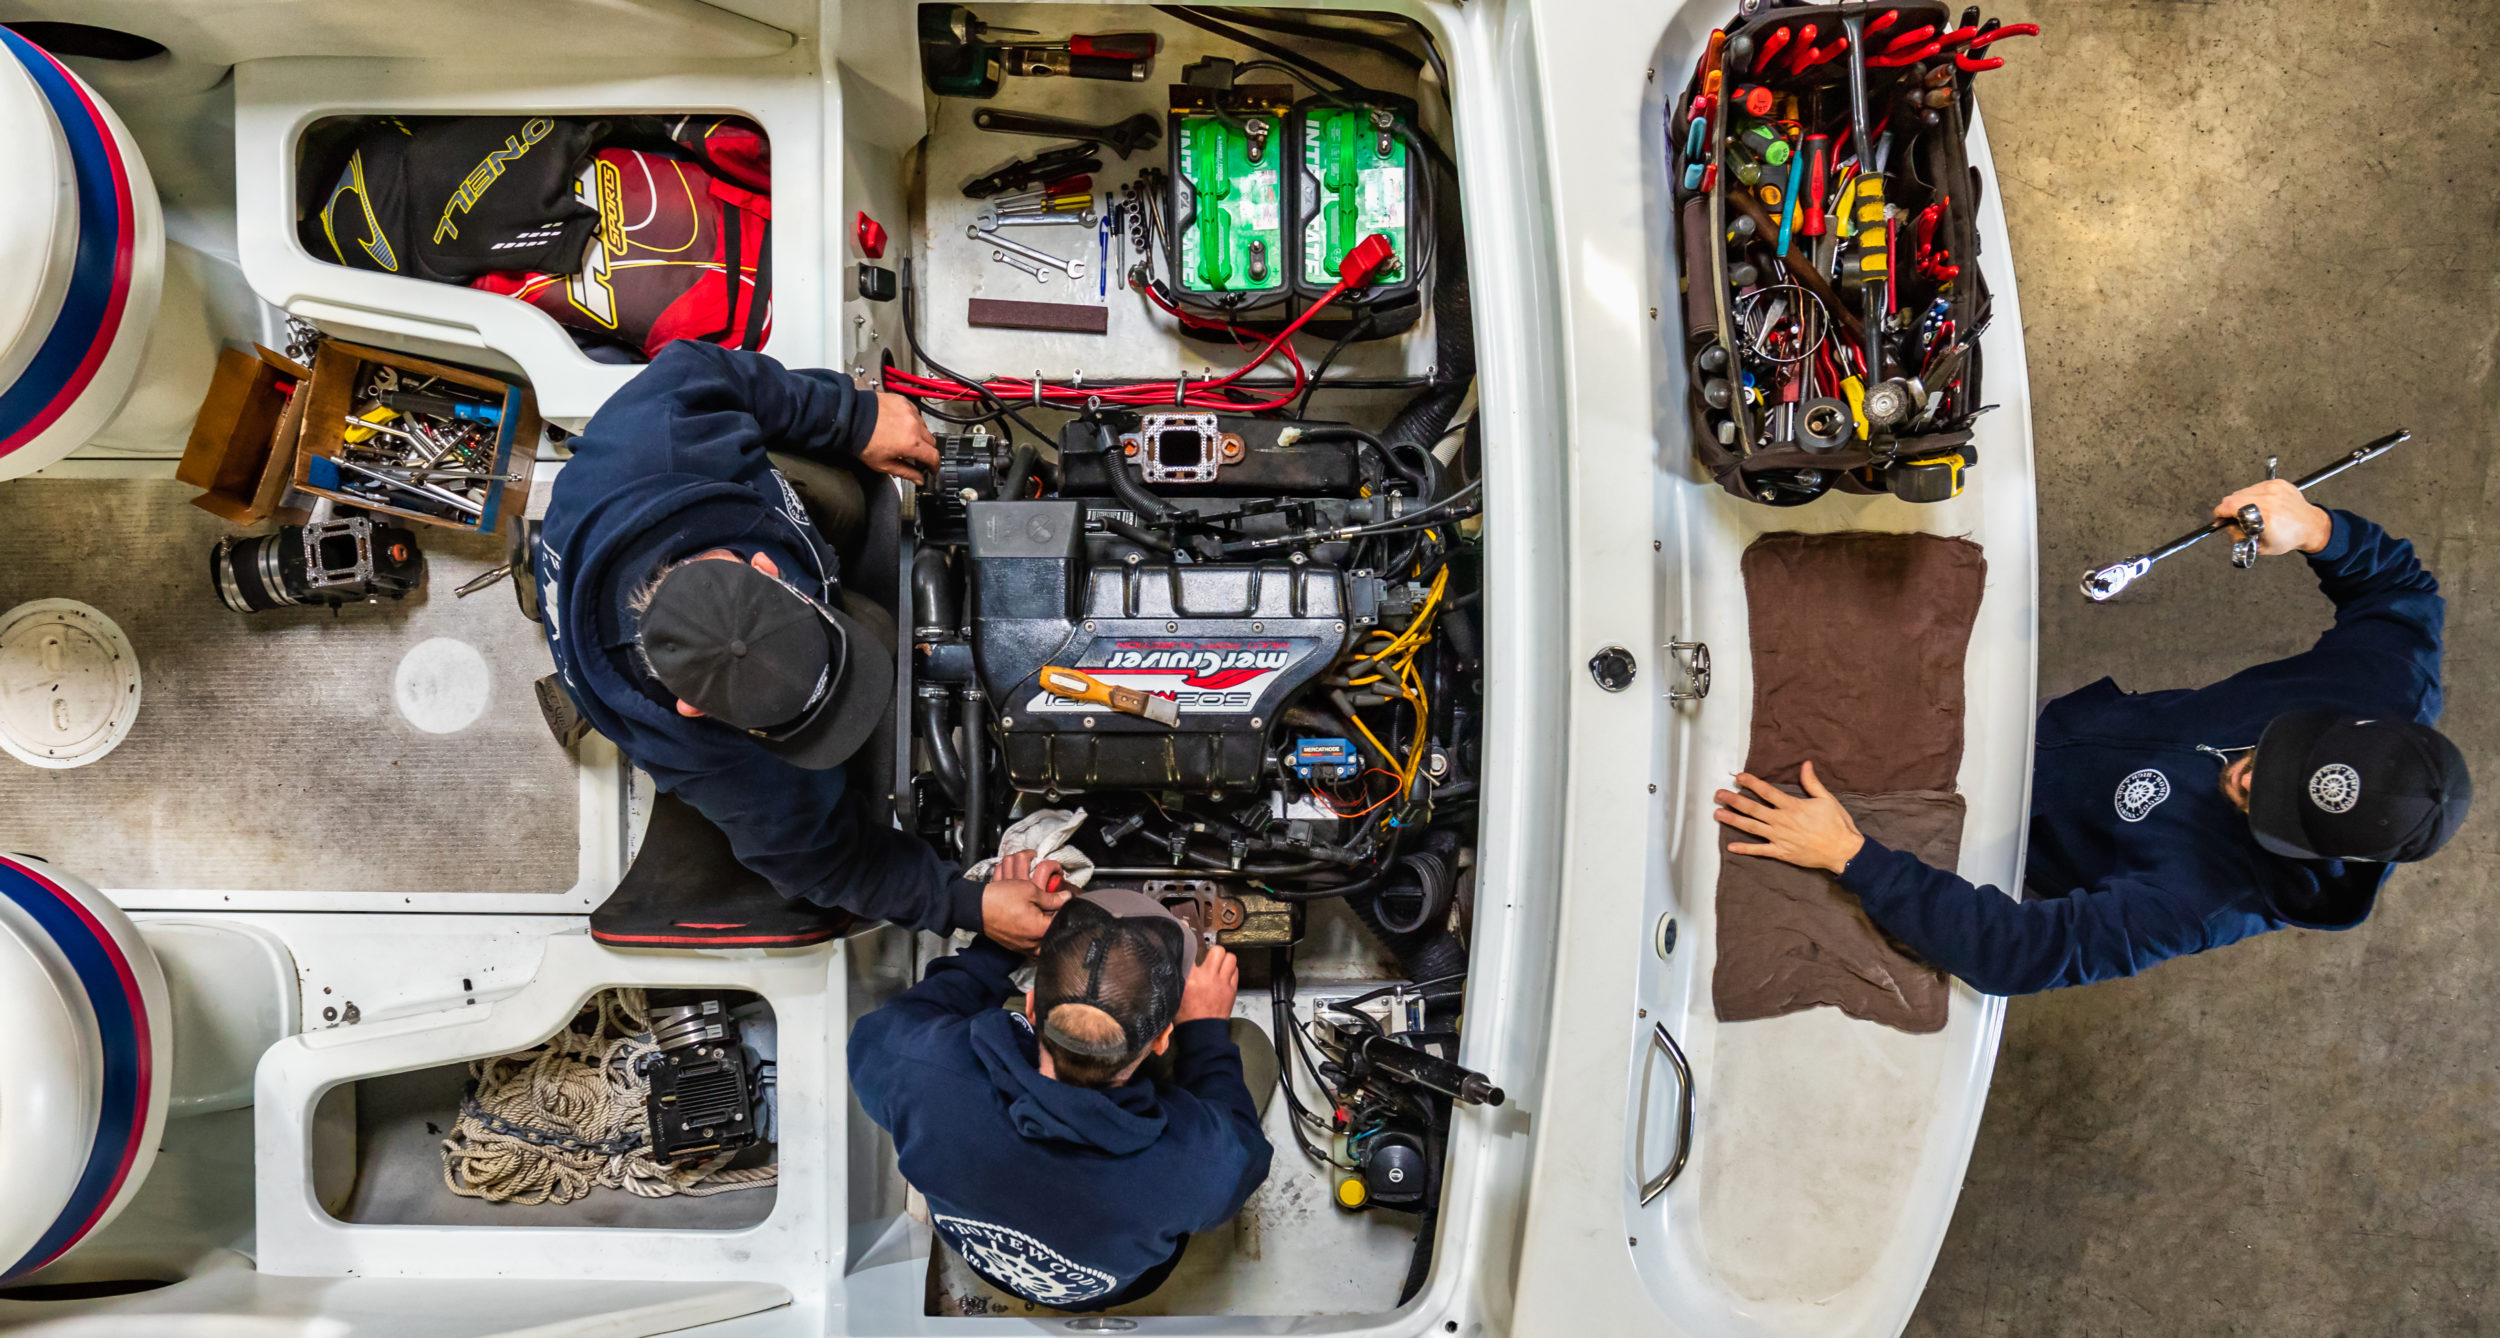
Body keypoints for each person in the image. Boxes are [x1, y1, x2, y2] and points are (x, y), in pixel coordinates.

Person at [1714, 482, 2472, 995]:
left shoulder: (2208, 900)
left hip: (2012, 838)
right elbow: (2399, 590)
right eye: (2277, 752)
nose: (2246, 778)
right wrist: (2317, 529)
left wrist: (1852, 857)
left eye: (2267, 804)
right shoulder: (2385, 682)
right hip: (2060, 733)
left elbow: (2015, 953)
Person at [539, 340, 1061, 948]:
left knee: (846, 498)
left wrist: (851, 417)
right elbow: (825, 863)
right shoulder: (706, 756)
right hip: (627, 641)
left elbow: (708, 368)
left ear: (764, 568)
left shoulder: (665, 435)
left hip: (701, 499)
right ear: (696, 708)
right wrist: (964, 902)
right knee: (874, 631)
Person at [849, 879, 1273, 1312]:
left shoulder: (918, 1070)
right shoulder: (1204, 1164)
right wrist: (1203, 1029)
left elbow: (902, 1021)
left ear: (1031, 1007)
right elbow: (1247, 1157)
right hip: (1110, 1284)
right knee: (1249, 1047)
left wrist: (998, 946)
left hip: (987, 1258)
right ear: (1164, 1037)